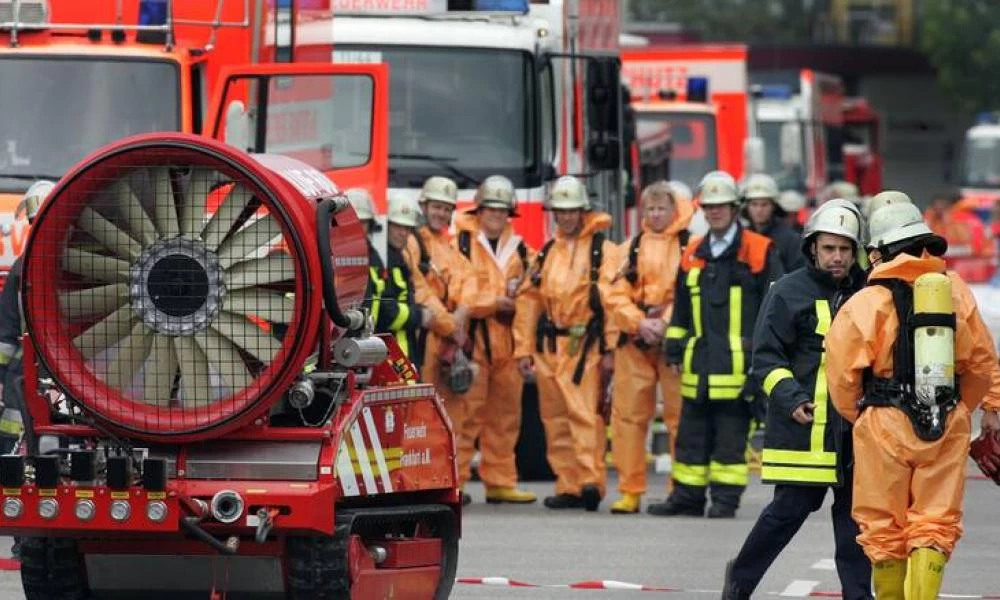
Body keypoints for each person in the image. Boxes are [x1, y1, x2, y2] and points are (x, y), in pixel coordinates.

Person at [826, 197, 1000, 600]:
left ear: (878, 250)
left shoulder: (864, 303)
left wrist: (865, 416)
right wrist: (960, 410)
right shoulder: (956, 292)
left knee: (883, 527)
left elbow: (841, 378)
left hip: (882, 420)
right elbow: (981, 363)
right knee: (934, 524)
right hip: (947, 417)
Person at [721, 200, 871, 600]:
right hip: (806, 430)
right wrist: (791, 399)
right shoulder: (787, 291)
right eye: (829, 248)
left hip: (857, 431)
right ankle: (740, 581)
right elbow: (766, 358)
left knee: (856, 523)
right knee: (786, 514)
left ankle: (859, 595)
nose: (837, 257)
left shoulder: (870, 290)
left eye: (844, 248)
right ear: (812, 248)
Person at [652, 176, 783, 518]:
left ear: (735, 208)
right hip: (699, 365)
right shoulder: (694, 251)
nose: (715, 212)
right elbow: (681, 307)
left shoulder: (758, 249)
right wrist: (675, 348)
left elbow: (775, 308)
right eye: (709, 207)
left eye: (721, 206)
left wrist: (764, 358)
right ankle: (687, 498)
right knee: (691, 436)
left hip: (739, 367)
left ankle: (725, 500)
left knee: (730, 437)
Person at [514, 175, 616, 511]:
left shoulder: (603, 250)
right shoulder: (547, 252)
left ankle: (589, 482)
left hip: (583, 343)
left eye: (572, 210)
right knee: (554, 418)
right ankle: (568, 484)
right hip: (549, 346)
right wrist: (523, 348)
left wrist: (610, 349)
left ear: (583, 212)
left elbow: (614, 300)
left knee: (585, 415)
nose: (567, 217)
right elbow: (529, 301)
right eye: (561, 211)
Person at [604, 181, 693, 514]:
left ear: (673, 210)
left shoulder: (688, 246)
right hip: (635, 342)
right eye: (651, 209)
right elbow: (613, 294)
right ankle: (630, 489)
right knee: (628, 417)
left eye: (662, 208)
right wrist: (639, 322)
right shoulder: (629, 248)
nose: (656, 215)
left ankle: (679, 486)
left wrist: (666, 322)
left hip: (672, 344)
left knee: (679, 416)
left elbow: (686, 292)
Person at [453, 175, 536, 504]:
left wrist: (525, 348)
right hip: (473, 343)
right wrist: (494, 303)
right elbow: (462, 294)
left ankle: (501, 480)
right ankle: (455, 483)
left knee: (505, 417)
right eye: (491, 210)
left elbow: (529, 304)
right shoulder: (460, 245)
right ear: (479, 210)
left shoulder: (522, 252)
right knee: (466, 416)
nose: (496, 216)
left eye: (502, 211)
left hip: (508, 344)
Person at [0, 181, 54, 455]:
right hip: (31, 371)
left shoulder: (23, 266)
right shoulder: (22, 267)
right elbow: (6, 334)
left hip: (40, 370)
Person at [376, 194, 435, 359]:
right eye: (397, 227)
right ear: (386, 226)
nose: (403, 233)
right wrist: (419, 316)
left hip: (401, 347)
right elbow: (387, 313)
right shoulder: (383, 260)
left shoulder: (396, 257)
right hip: (391, 351)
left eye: (407, 228)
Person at [742, 173, 805, 273]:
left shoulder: (790, 240)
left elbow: (798, 275)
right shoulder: (741, 238)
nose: (759, 210)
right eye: (754, 204)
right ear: (747, 207)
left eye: (764, 204)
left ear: (773, 206)